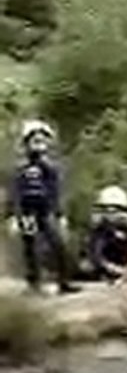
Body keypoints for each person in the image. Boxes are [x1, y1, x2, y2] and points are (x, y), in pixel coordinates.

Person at [6, 120, 78, 295]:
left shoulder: (50, 168)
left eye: (42, 141)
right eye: (35, 141)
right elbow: (15, 193)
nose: (39, 144)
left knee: (58, 244)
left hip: (45, 211)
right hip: (27, 212)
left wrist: (60, 215)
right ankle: (34, 284)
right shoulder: (21, 168)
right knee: (31, 246)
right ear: (27, 143)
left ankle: (64, 282)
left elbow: (55, 192)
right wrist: (13, 216)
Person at [85, 185, 127, 283]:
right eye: (106, 208)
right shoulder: (98, 227)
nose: (111, 211)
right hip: (109, 263)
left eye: (115, 208)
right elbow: (93, 249)